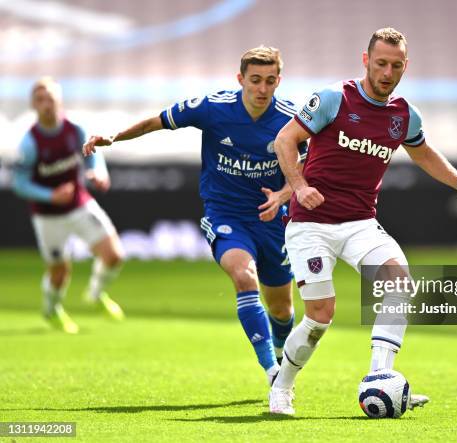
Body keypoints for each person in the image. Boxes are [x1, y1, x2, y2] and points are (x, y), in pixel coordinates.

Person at [269, 28, 457, 415]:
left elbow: (424, 153)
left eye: (396, 65)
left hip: (361, 223)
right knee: (320, 316)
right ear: (366, 61)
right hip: (311, 224)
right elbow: (285, 139)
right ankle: (282, 386)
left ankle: (380, 380)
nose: (387, 72)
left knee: (400, 284)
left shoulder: (403, 115)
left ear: (405, 67)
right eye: (380, 63)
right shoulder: (333, 98)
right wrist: (297, 185)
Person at [83, 46, 306, 385]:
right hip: (225, 213)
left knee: (282, 309)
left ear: (279, 80)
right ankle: (273, 371)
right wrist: (115, 137)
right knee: (244, 276)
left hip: (272, 219)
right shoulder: (213, 108)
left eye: (270, 81)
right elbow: (156, 122)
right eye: (255, 80)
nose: (262, 89)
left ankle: (279, 355)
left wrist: (283, 194)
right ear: (240, 79)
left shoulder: (292, 120)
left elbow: (309, 167)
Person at [13, 77, 125, 334]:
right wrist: (50, 195)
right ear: (33, 105)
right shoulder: (30, 143)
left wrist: (98, 173)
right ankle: (52, 310)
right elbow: (19, 183)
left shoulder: (75, 130)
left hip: (79, 205)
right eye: (40, 100)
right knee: (60, 271)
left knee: (114, 255)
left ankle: (96, 294)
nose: (46, 104)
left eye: (50, 98)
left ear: (59, 100)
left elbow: (93, 158)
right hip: (47, 216)